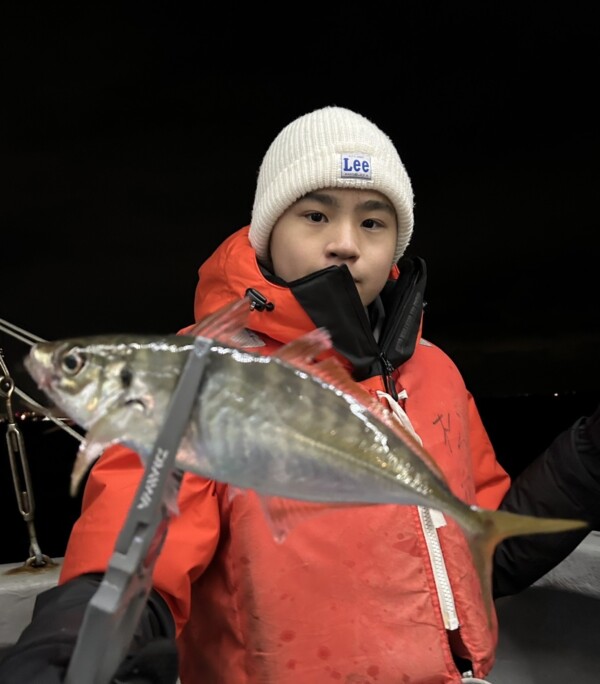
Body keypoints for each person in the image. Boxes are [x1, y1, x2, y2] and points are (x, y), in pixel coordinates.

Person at [1, 106, 599, 684]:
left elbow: (483, 539)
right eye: (315, 215)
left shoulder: (435, 371)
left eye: (372, 221)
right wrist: (73, 641)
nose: (345, 242)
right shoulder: (192, 374)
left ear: (396, 244)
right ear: (268, 231)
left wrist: (590, 456)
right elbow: (136, 546)